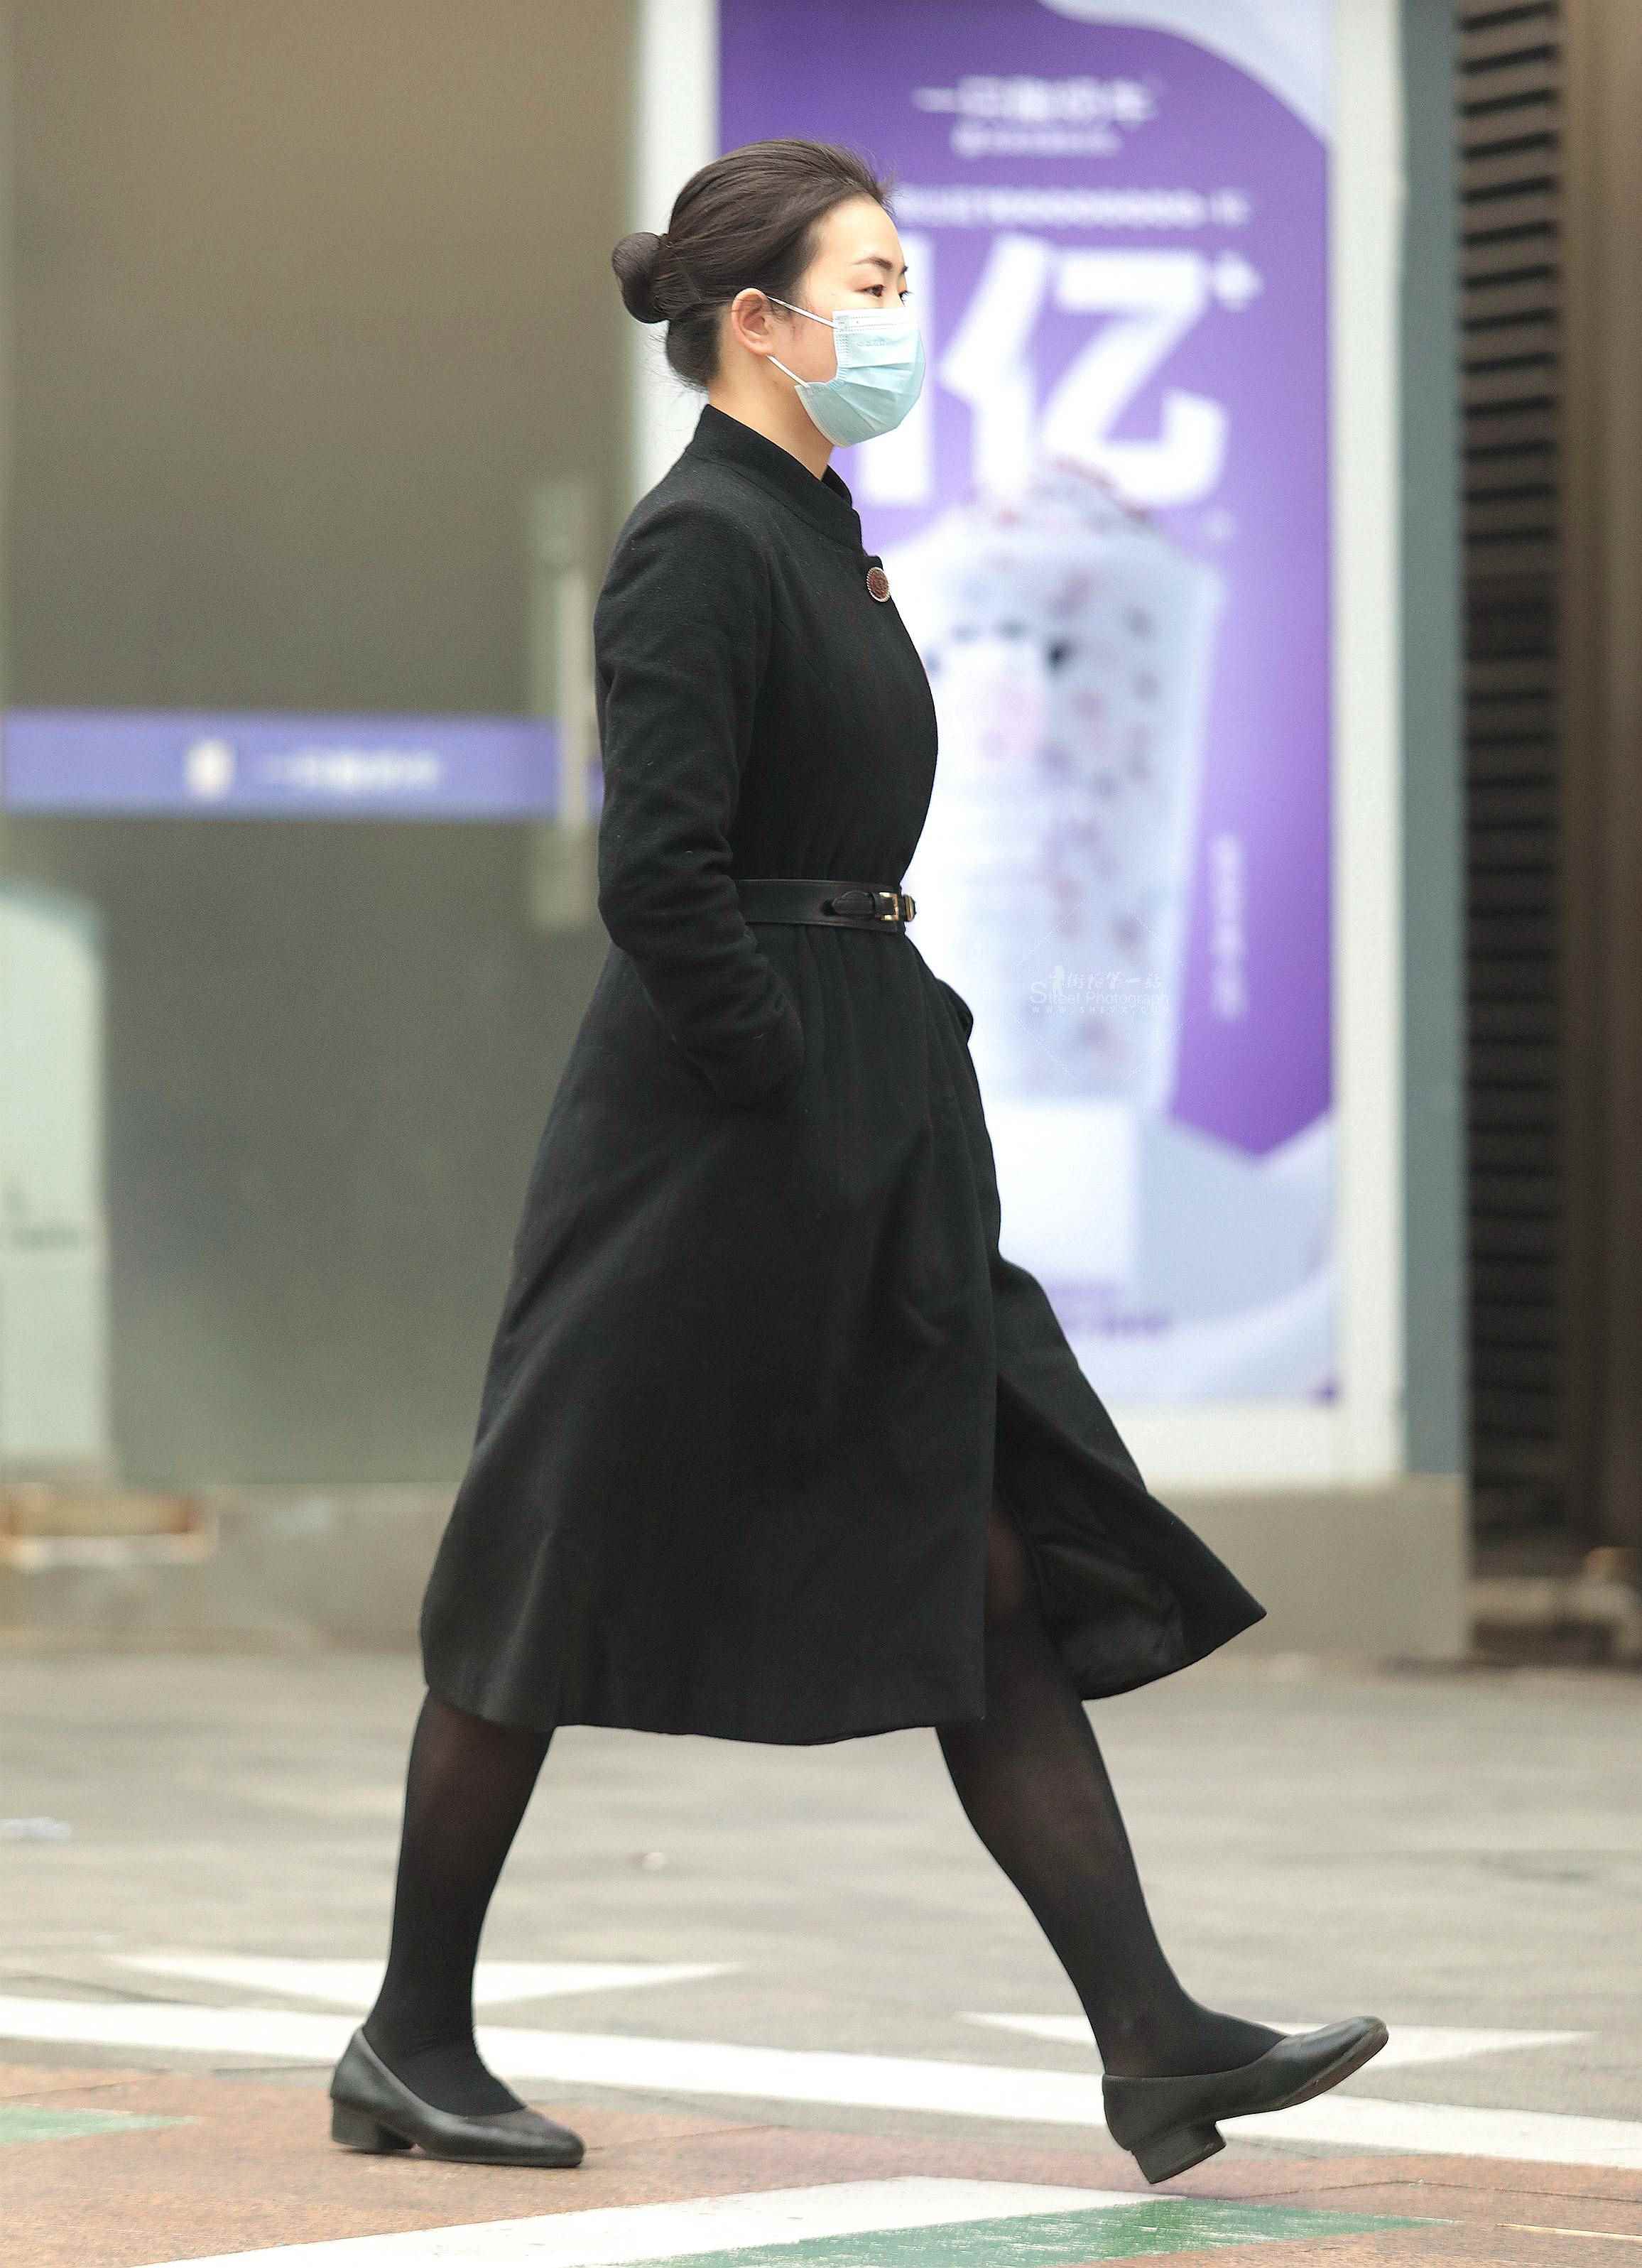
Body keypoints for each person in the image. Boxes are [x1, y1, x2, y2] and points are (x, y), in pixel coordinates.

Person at [327, 136, 1387, 2182]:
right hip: (713, 1141)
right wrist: (783, 1082)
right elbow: (661, 875)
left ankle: (1150, 2036)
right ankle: (410, 2032)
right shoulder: (702, 543)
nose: (908, 316)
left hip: (862, 1107)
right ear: (761, 318)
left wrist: (861, 1085)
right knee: (546, 1554)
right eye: (876, 281)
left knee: (975, 1549)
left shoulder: (825, 530)